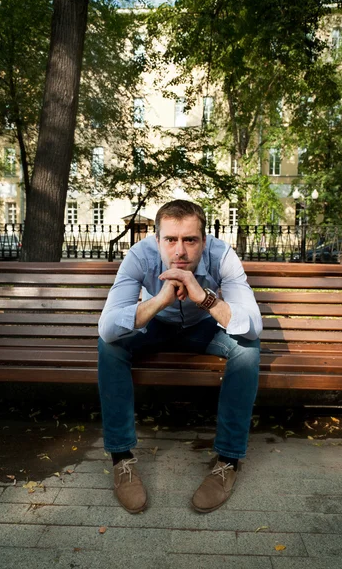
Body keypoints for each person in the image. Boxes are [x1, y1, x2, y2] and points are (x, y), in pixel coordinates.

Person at [98, 200, 262, 514]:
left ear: (205, 239)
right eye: (170, 240)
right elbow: (107, 328)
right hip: (156, 325)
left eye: (190, 240)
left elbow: (253, 326)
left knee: (245, 349)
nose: (180, 251)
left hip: (204, 327)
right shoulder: (140, 256)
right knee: (111, 346)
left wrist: (204, 298)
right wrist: (160, 300)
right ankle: (121, 459)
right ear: (156, 239)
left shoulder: (222, 256)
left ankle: (227, 461)